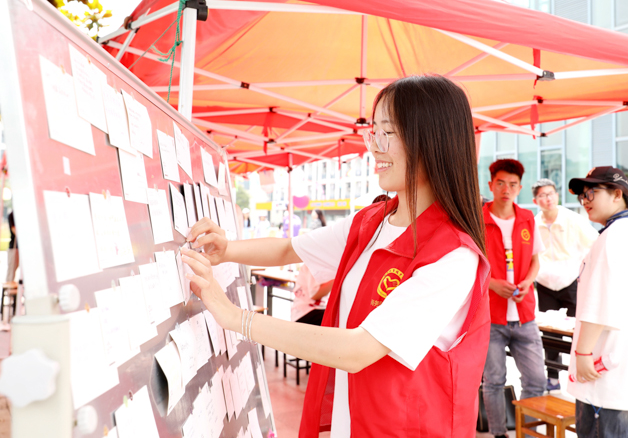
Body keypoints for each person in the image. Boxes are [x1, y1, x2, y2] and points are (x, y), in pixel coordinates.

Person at [182, 75, 490, 438]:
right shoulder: (372, 222)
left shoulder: (454, 256)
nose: (375, 147)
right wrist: (227, 249)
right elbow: (288, 249)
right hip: (354, 422)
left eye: (388, 133)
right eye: (373, 132)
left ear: (432, 140)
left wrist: (236, 318)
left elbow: (358, 349)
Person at [566, 167, 628, 438]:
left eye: (591, 193)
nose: (585, 201)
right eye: (582, 196)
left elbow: (600, 300)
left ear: (617, 194)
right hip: (623, 368)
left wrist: (583, 353)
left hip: (606, 370)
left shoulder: (616, 234)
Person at [482, 159, 546, 438]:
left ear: (519, 188)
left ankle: (527, 433)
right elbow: (468, 266)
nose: (506, 189)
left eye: (512, 184)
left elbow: (535, 260)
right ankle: (499, 434)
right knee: (494, 382)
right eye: (500, 183)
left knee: (537, 380)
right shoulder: (477, 219)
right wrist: (492, 284)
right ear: (491, 185)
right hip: (490, 317)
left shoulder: (527, 218)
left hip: (525, 315)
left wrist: (528, 282)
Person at [532, 178, 598, 391]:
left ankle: (579, 373)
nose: (548, 198)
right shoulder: (534, 223)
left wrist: (585, 273)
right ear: (535, 200)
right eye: (542, 195)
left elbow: (594, 244)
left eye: (551, 193)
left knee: (578, 330)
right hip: (544, 284)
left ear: (557, 195)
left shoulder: (572, 219)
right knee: (550, 332)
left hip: (571, 282)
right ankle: (552, 377)